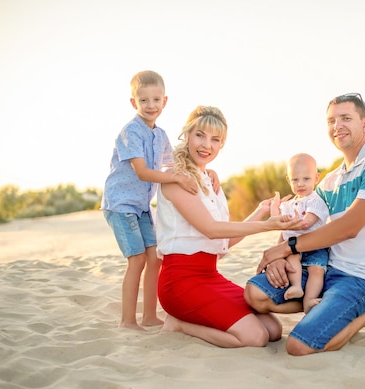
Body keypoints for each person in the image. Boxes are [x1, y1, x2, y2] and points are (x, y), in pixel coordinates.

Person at [244, 93, 365, 356]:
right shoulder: (330, 180)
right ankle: (328, 307)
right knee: (255, 293)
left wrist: (288, 249)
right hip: (326, 268)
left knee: (299, 346)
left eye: (346, 118)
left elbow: (348, 227)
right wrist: (278, 253)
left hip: (363, 277)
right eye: (331, 120)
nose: (337, 126)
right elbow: (300, 222)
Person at [156, 105, 306, 348]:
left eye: (215, 140)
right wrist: (268, 227)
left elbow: (223, 240)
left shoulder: (210, 180)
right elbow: (212, 229)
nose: (207, 145)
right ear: (187, 135)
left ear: (221, 145)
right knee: (254, 338)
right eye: (200, 135)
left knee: (273, 329)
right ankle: (179, 324)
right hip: (181, 281)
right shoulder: (175, 178)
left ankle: (189, 321)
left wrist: (261, 211)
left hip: (210, 275)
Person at [101, 70, 218, 331]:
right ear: (134, 103)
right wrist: (175, 180)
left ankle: (150, 316)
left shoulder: (161, 135)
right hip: (120, 205)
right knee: (137, 260)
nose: (150, 106)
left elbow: (176, 161)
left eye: (156, 100)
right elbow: (142, 172)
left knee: (155, 258)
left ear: (164, 101)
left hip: (141, 206)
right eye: (144, 101)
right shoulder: (130, 132)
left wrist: (207, 170)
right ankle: (127, 321)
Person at [269, 153, 329, 313]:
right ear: (288, 180)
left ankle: (309, 300)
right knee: (292, 262)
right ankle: (296, 286)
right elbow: (279, 226)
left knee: (316, 270)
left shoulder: (315, 201)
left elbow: (307, 223)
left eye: (306, 179)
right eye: (295, 180)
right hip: (293, 247)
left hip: (315, 246)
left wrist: (294, 222)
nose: (300, 184)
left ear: (316, 178)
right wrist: (275, 210)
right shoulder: (287, 205)